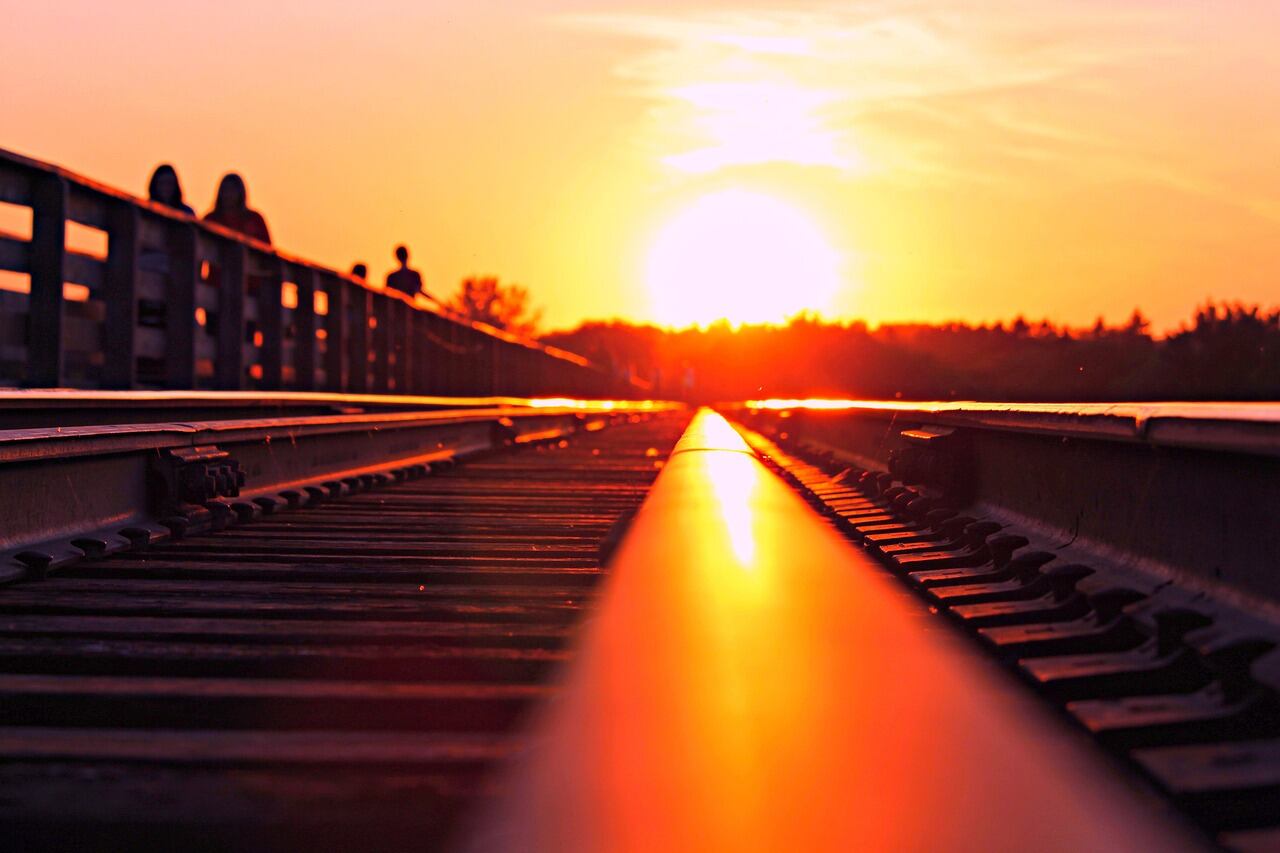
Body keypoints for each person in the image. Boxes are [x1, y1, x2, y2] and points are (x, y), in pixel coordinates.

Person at [204, 173, 271, 243]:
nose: (229, 194)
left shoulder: (255, 219)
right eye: (225, 190)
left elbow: (267, 249)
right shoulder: (210, 220)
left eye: (232, 190)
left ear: (241, 193)